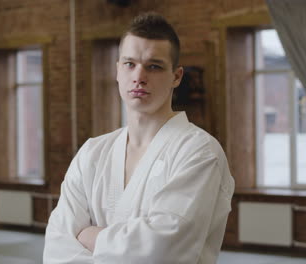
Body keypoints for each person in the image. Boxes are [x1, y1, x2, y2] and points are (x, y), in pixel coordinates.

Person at [43, 12, 235, 264]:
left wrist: (91, 237)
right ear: (117, 71)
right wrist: (125, 246)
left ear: (176, 77)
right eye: (129, 64)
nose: (139, 76)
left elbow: (163, 251)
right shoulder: (92, 152)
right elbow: (57, 246)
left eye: (153, 66)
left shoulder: (199, 152)